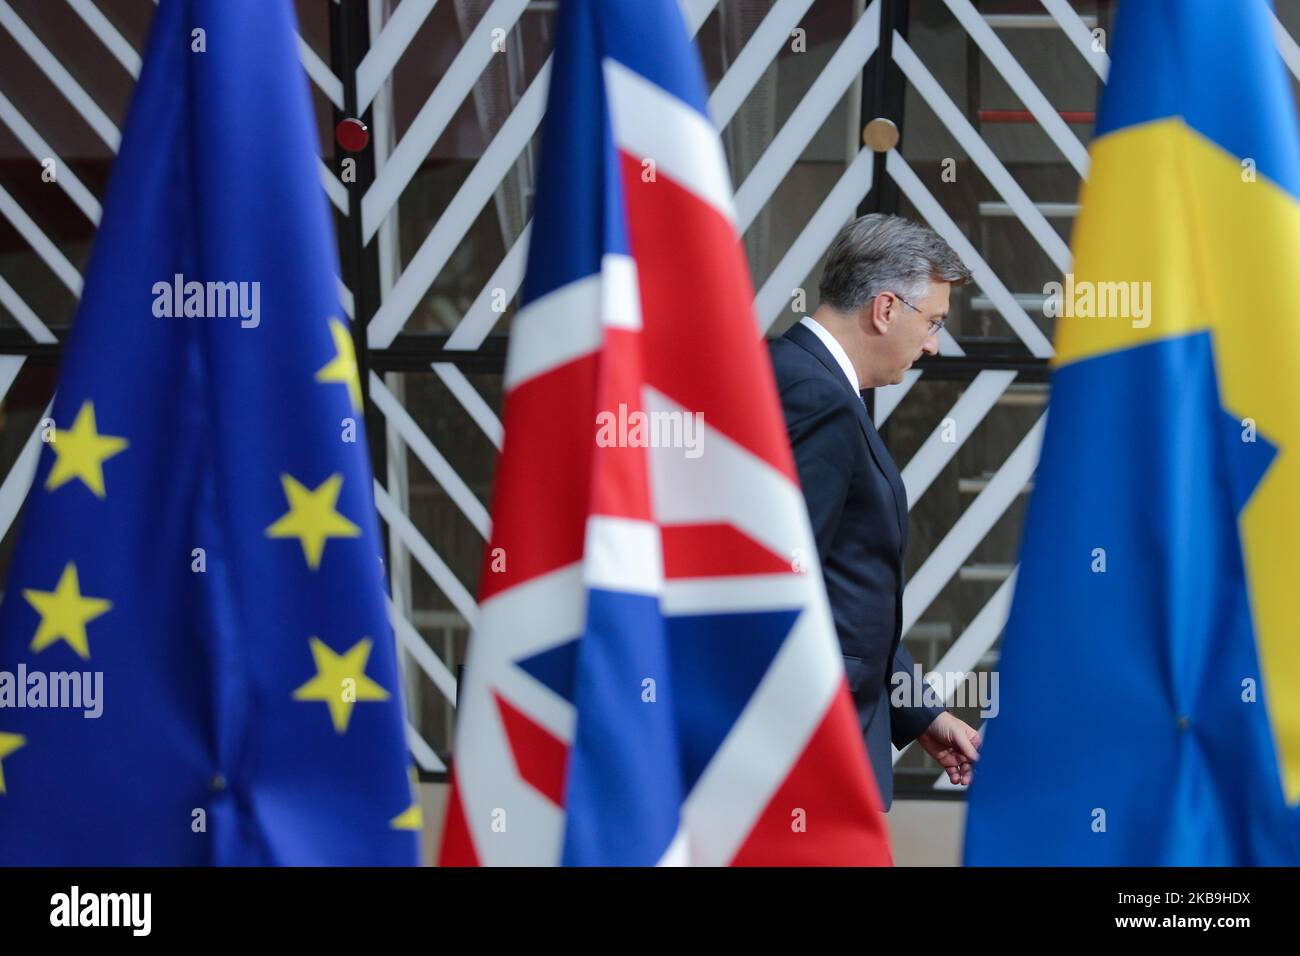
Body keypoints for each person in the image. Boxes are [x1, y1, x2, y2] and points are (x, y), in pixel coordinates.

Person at [770, 213, 982, 809]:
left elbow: (844, 590)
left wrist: (920, 714)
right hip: (811, 757)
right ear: (885, 309)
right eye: (934, 321)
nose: (935, 344)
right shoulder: (815, 397)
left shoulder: (808, 381)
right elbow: (784, 588)